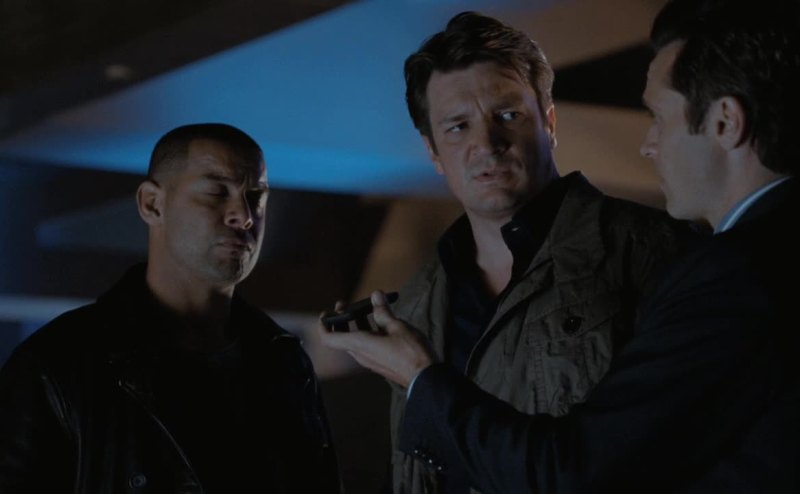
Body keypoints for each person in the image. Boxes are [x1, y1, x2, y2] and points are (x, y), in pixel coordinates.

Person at [321, 0, 800, 492]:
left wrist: (422, 379)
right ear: (432, 150)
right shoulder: (419, 299)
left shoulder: (666, 253)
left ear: (549, 123)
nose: (487, 144)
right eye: (458, 126)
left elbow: (595, 464)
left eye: (508, 114)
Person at [0, 123, 341, 493]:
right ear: (152, 204)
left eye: (256, 196)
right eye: (216, 192)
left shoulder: (286, 363)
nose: (243, 215)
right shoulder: (57, 364)